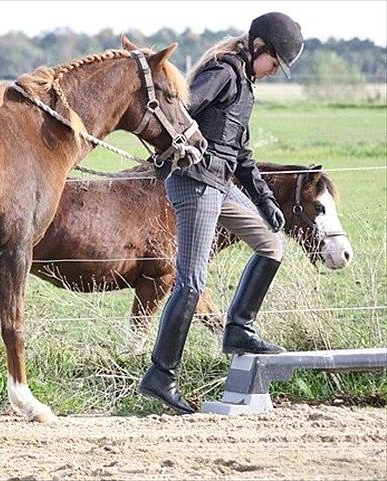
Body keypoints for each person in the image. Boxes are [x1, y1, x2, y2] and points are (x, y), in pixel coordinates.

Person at [137, 12, 304, 414]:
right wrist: (169, 154)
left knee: (271, 245)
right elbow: (181, 112)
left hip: (222, 184)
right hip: (195, 182)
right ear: (259, 47)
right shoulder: (223, 72)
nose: (273, 70)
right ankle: (161, 375)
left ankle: (238, 329)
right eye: (274, 63)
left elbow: (241, 154)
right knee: (191, 283)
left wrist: (264, 199)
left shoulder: (245, 84)